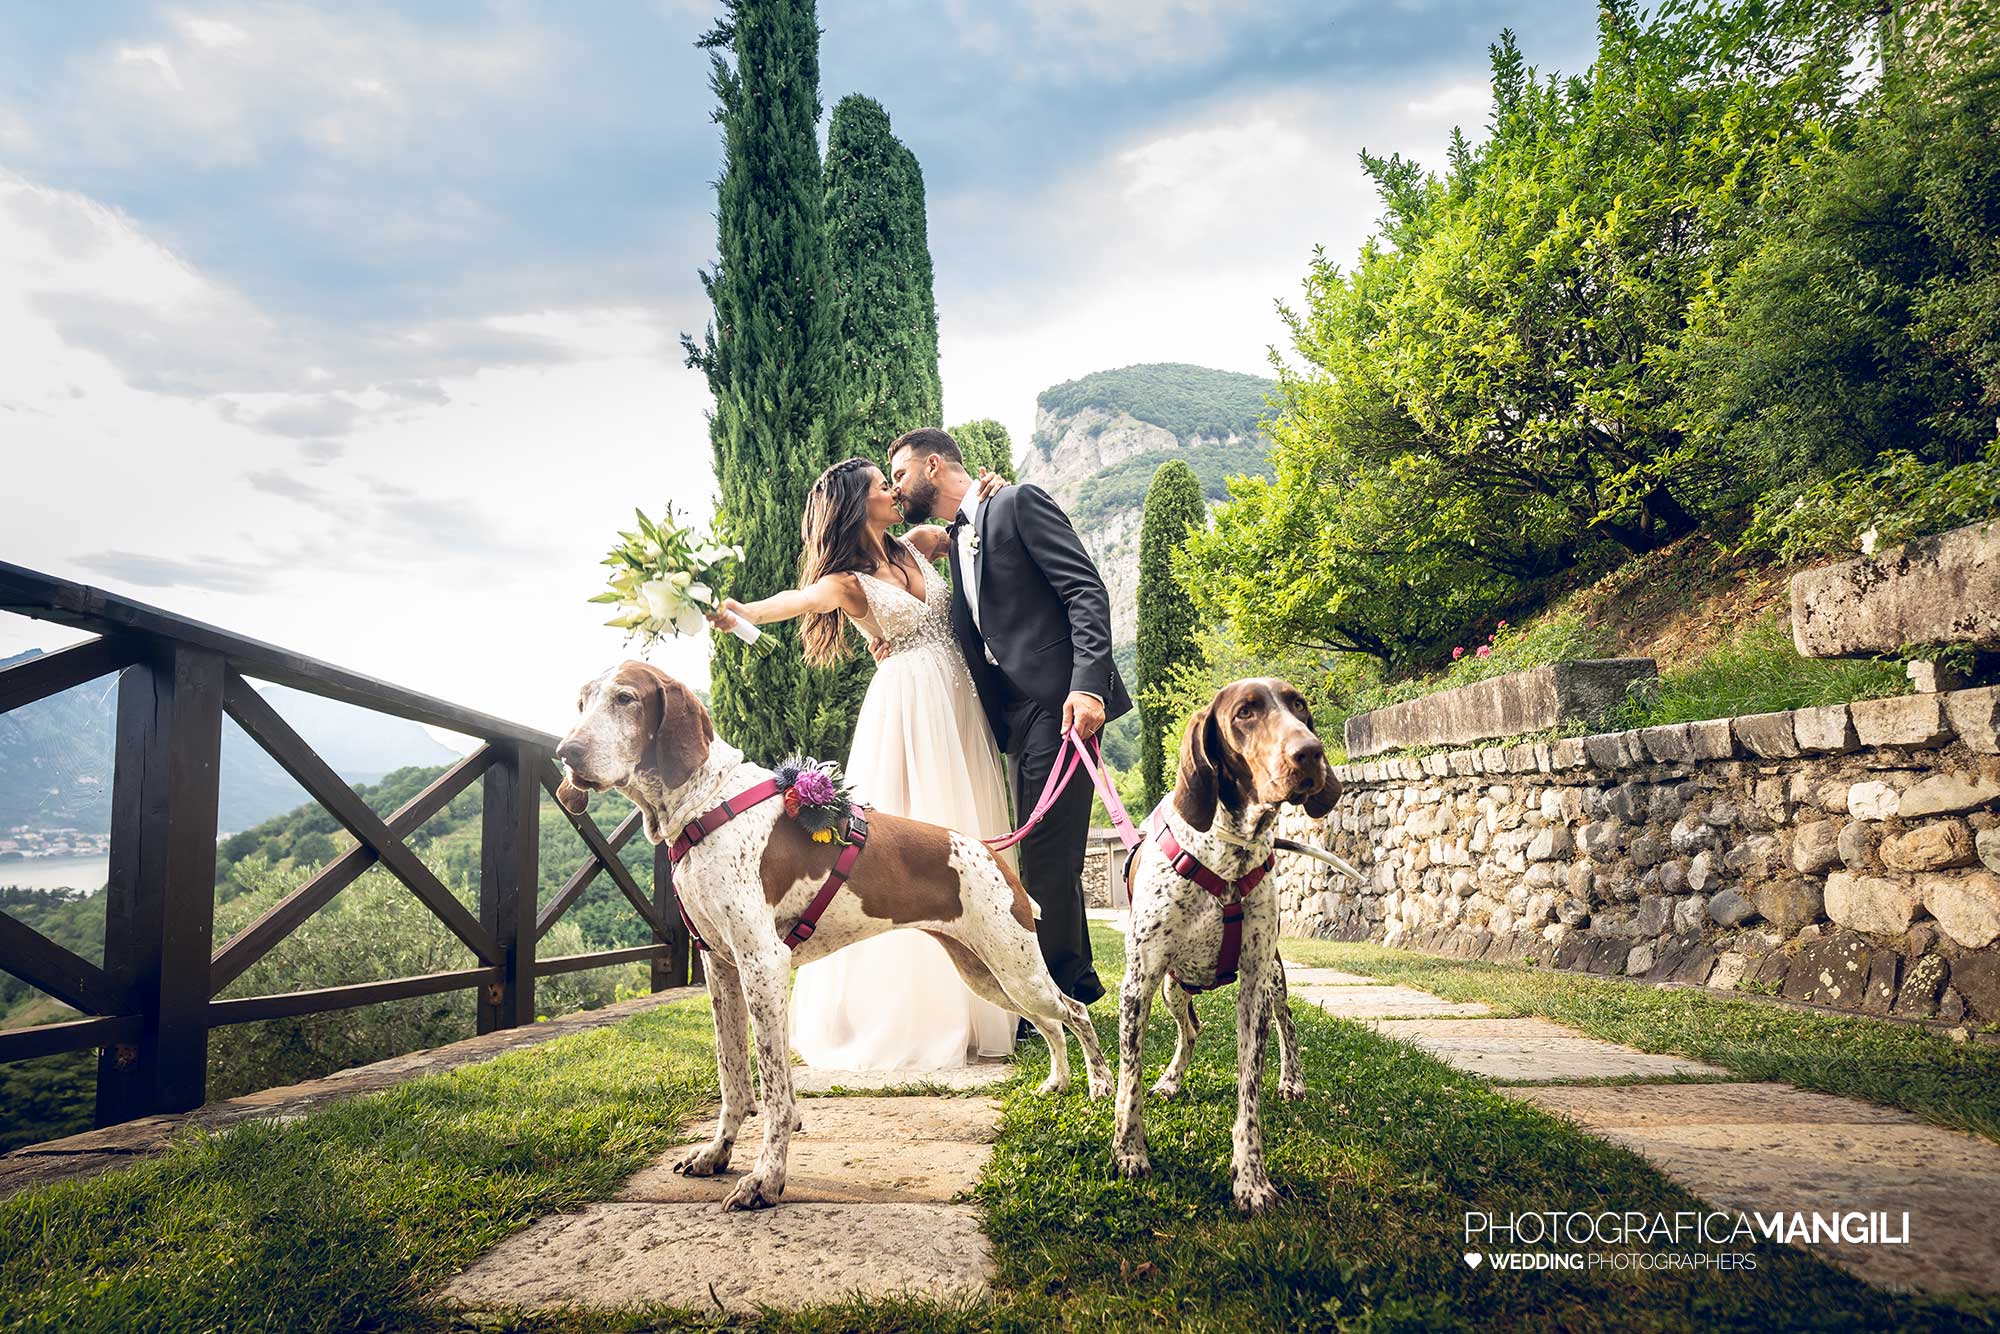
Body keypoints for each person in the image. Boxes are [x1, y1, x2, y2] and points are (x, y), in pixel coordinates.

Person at [709, 456, 1016, 1069]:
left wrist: (992, 491)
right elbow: (795, 600)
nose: (895, 491)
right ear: (858, 503)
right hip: (907, 708)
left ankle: (995, 994)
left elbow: (974, 530)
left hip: (957, 702)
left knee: (966, 827)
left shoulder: (918, 543)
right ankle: (914, 1012)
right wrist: (742, 611)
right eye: (883, 485)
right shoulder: (846, 583)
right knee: (908, 841)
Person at [885, 427, 1131, 1017]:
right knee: (1044, 857)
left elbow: (1085, 591)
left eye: (899, 475)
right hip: (1012, 719)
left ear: (933, 466)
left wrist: (1087, 686)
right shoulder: (955, 538)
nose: (895, 490)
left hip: (1060, 702)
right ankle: (1073, 983)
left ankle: (1055, 998)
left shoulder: (1017, 503)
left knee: (1046, 856)